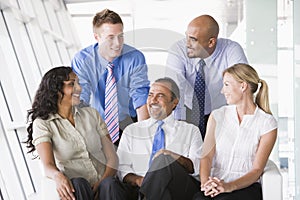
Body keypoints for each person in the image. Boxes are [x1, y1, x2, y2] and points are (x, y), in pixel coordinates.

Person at [98, 77, 203, 200]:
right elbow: (122, 170)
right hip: (138, 188)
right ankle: (147, 194)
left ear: (174, 102)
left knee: (164, 159)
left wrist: (172, 156)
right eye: (150, 95)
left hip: (174, 188)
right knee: (109, 184)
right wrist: (138, 180)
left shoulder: (190, 130)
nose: (153, 100)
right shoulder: (131, 131)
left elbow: (197, 168)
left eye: (160, 96)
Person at [25, 66, 118, 200]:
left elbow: (112, 158)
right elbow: (48, 165)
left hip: (106, 185)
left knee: (110, 184)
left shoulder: (92, 114)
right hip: (77, 190)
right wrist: (58, 177)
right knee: (78, 183)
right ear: (56, 90)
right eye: (72, 84)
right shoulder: (43, 123)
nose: (79, 88)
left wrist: (101, 184)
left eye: (78, 83)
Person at [193, 63, 277, 200]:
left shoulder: (267, 123)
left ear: (243, 86)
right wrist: (205, 184)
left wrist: (228, 187)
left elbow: (256, 170)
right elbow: (206, 156)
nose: (222, 90)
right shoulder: (217, 116)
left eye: (226, 85)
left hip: (245, 188)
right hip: (214, 184)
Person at [71, 9, 150, 145]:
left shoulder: (135, 58)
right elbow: (80, 98)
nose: (118, 43)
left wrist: (144, 137)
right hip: (97, 123)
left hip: (129, 121)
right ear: (97, 37)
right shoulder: (82, 60)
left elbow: (140, 95)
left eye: (121, 36)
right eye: (111, 37)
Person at [165, 14, 248, 139]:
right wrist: (178, 128)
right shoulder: (178, 50)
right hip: (188, 113)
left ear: (211, 42)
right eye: (186, 36)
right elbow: (174, 89)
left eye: (193, 39)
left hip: (222, 114)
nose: (187, 43)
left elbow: (242, 85)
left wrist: (237, 125)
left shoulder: (231, 50)